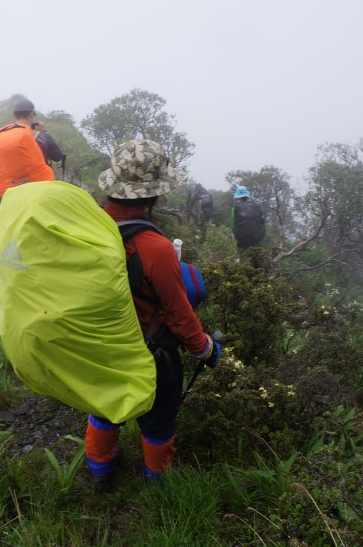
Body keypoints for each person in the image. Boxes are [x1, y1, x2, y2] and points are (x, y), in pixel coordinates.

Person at [85, 139, 221, 484]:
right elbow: (178, 316)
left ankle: (100, 472)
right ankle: (157, 484)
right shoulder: (156, 249)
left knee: (104, 409)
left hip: (100, 347)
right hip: (150, 356)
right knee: (159, 420)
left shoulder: (88, 230)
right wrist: (205, 349)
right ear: (153, 193)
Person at [0, 98, 54, 197]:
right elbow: (56, 156)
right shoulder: (31, 136)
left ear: (14, 115)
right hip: (38, 190)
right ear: (32, 114)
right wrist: (43, 133)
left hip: (9, 192)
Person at [231, 185, 266, 257]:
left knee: (243, 258)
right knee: (257, 257)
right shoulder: (256, 206)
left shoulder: (235, 208)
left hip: (242, 239)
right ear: (247, 195)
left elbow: (232, 225)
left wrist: (235, 237)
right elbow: (262, 221)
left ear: (238, 197)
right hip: (256, 237)